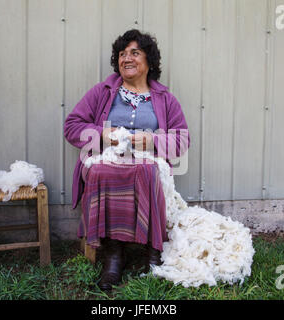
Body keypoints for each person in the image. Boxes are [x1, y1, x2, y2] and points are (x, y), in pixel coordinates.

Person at [64, 29, 190, 290]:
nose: (127, 58)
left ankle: (152, 251)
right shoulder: (103, 91)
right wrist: (102, 134)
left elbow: (181, 139)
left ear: (149, 61)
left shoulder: (164, 99)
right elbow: (72, 126)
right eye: (122, 54)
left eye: (135, 52)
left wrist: (152, 141)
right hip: (106, 157)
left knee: (146, 171)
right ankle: (113, 254)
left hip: (147, 162)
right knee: (101, 171)